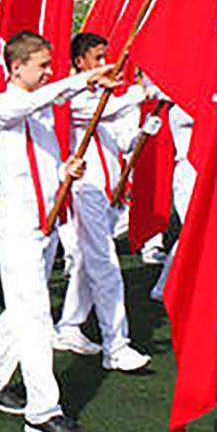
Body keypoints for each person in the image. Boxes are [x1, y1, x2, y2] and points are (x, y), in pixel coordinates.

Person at [0, 30, 115, 432]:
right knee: (35, 317)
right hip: (18, 226)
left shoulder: (43, 111)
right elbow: (31, 103)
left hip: (45, 221)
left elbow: (41, 158)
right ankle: (43, 411)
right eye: (42, 66)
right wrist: (81, 80)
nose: (50, 72)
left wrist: (64, 170)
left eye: (51, 66)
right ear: (17, 68)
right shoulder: (3, 104)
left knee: (21, 309)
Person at [53, 32, 151, 371]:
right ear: (80, 63)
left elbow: (120, 141)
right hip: (84, 192)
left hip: (107, 193)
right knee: (106, 266)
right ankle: (116, 344)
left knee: (86, 262)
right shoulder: (73, 95)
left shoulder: (104, 98)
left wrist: (143, 130)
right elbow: (101, 110)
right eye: (97, 58)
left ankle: (68, 326)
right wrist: (145, 90)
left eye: (105, 56)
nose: (106, 64)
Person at [149, 97, 217, 322]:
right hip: (188, 173)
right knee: (203, 234)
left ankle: (163, 287)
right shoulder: (179, 106)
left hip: (210, 171)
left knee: (195, 235)